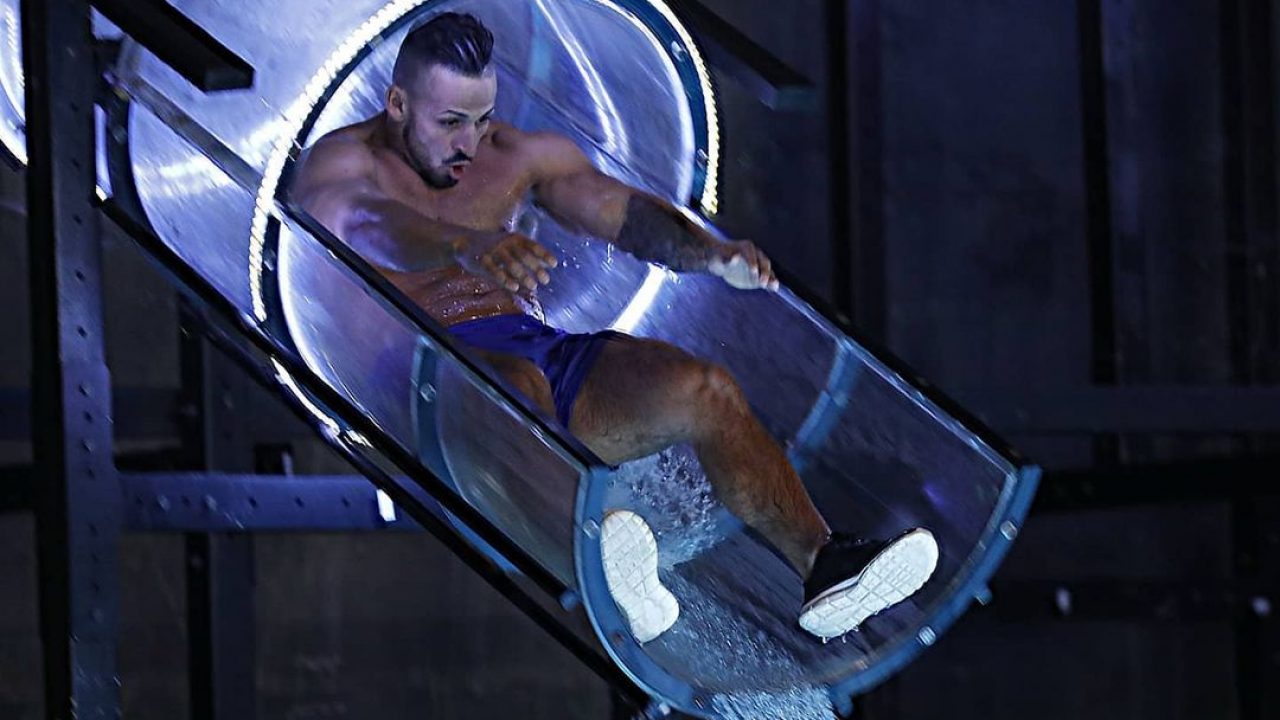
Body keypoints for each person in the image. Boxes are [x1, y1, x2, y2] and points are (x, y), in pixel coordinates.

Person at [291, 12, 937, 643]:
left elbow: (616, 211)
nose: (469, 142)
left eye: (482, 119)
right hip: (413, 380)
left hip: (525, 351)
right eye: (450, 122)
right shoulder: (341, 164)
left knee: (703, 390)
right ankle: (604, 561)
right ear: (398, 105)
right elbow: (366, 223)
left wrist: (710, 254)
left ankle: (822, 564)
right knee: (511, 385)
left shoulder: (511, 154)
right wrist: (463, 243)